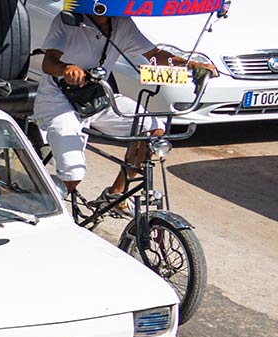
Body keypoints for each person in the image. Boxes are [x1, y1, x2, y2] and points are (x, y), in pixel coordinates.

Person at [34, 13, 217, 202]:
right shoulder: (68, 20)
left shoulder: (122, 23)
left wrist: (191, 65)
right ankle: (41, 207)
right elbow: (49, 62)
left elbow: (154, 55)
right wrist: (66, 68)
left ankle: (114, 195)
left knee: (152, 129)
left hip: (97, 97)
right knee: (73, 175)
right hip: (58, 101)